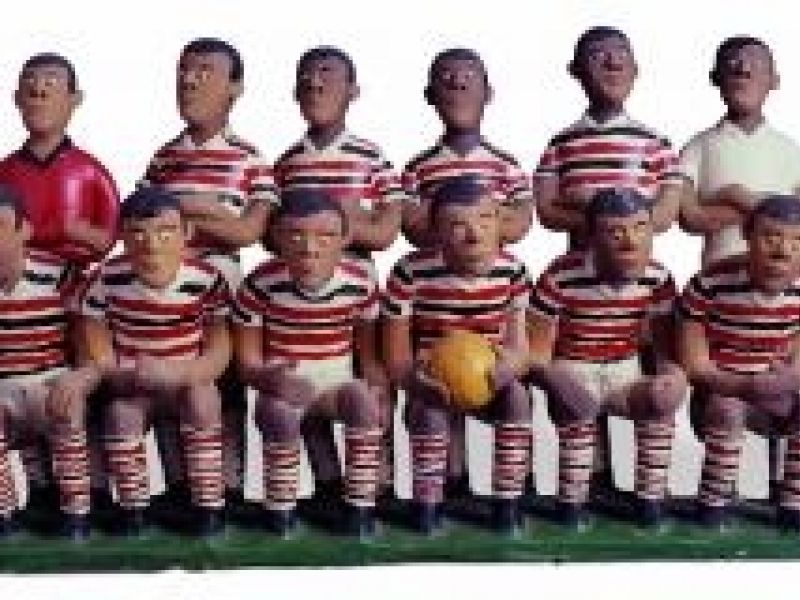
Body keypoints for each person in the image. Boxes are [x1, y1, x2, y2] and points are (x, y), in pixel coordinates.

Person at [535, 27, 685, 495]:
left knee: (631, 362)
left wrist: (615, 217)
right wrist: (602, 216)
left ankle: (644, 486)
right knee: (578, 379)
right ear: (576, 71)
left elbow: (664, 213)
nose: (613, 63)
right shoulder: (562, 143)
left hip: (634, 278)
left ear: (636, 69)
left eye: (622, 55)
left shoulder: (655, 143)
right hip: (579, 277)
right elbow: (546, 210)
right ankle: (593, 481)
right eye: (599, 56)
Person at [140, 38, 277, 508]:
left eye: (204, 71)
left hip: (223, 290)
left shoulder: (249, 159)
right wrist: (209, 210)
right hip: (163, 289)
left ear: (234, 87)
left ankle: (229, 485)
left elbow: (250, 231)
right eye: (184, 70)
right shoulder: (163, 158)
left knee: (226, 384)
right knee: (166, 380)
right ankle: (180, 484)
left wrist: (182, 210)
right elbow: (138, 220)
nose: (189, 79)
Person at [273, 46, 402, 504]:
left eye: (327, 75)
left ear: (353, 91)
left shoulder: (371, 157)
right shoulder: (287, 163)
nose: (315, 84)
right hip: (300, 291)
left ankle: (378, 481)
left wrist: (338, 224)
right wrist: (330, 224)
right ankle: (327, 481)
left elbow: (387, 230)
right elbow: (272, 235)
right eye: (306, 77)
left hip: (357, 291)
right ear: (294, 92)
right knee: (305, 374)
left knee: (369, 378)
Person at [678, 36, 800, 500]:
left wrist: (739, 197)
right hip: (720, 297)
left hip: (781, 292)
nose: (743, 71)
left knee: (779, 378)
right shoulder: (701, 146)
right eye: (733, 64)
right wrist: (764, 212)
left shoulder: (788, 150)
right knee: (724, 401)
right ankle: (718, 494)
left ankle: (782, 489)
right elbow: (689, 215)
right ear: (716, 78)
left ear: (775, 80)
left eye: (754, 65)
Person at [0, 52, 120, 513]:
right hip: (16, 295)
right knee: (23, 381)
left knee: (78, 392)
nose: (40, 91)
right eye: (31, 83)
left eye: (51, 83)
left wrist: (82, 235)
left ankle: (93, 488)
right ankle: (43, 489)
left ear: (75, 99)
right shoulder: (6, 171)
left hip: (75, 296)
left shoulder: (90, 170)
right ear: (16, 98)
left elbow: (115, 234)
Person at [529, 188, 687, 529]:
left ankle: (650, 502)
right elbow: (537, 355)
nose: (631, 242)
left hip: (624, 371)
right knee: (578, 420)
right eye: (615, 232)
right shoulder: (560, 277)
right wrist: (558, 383)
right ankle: (572, 506)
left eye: (640, 228)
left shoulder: (658, 278)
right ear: (591, 237)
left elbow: (664, 349)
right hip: (574, 367)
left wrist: (671, 378)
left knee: (659, 409)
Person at [383, 175, 533, 534]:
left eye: (485, 219)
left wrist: (510, 368)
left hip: (490, 381)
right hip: (433, 382)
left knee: (517, 398)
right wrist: (415, 381)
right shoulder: (409, 273)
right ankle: (428, 505)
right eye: (457, 225)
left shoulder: (513, 272)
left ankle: (508, 501)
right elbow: (396, 357)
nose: (475, 235)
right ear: (436, 231)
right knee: (431, 413)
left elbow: (520, 348)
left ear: (500, 222)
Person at [234, 189, 386, 537]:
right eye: (295, 236)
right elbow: (247, 363)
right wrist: (270, 379)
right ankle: (281, 509)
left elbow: (368, 356)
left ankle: (360, 506)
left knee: (363, 401)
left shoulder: (360, 285)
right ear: (277, 238)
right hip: (285, 387)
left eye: (325, 236)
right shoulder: (259, 286)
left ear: (345, 238)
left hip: (336, 386)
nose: (309, 249)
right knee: (279, 412)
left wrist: (379, 389)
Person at [80, 188, 231, 536]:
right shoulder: (106, 279)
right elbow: (97, 342)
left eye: (165, 232)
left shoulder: (206, 280)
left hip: (186, 380)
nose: (151, 245)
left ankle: (208, 506)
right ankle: (135, 510)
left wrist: (183, 373)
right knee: (121, 416)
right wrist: (119, 375)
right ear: (122, 236)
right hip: (135, 383)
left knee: (204, 402)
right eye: (137, 233)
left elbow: (219, 349)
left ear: (186, 233)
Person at [680, 194, 800, 532]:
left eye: (796, 241)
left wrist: (788, 378)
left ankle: (793, 506)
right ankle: (714, 505)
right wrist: (745, 385)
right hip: (721, 392)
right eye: (771, 237)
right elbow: (694, 364)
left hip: (777, 393)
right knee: (727, 411)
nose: (783, 250)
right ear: (747, 235)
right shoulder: (709, 285)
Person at [0, 184, 97, 540]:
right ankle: (6, 517)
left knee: (67, 410)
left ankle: (76, 515)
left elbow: (88, 342)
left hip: (50, 380)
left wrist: (82, 376)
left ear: (24, 229)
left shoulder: (59, 274)